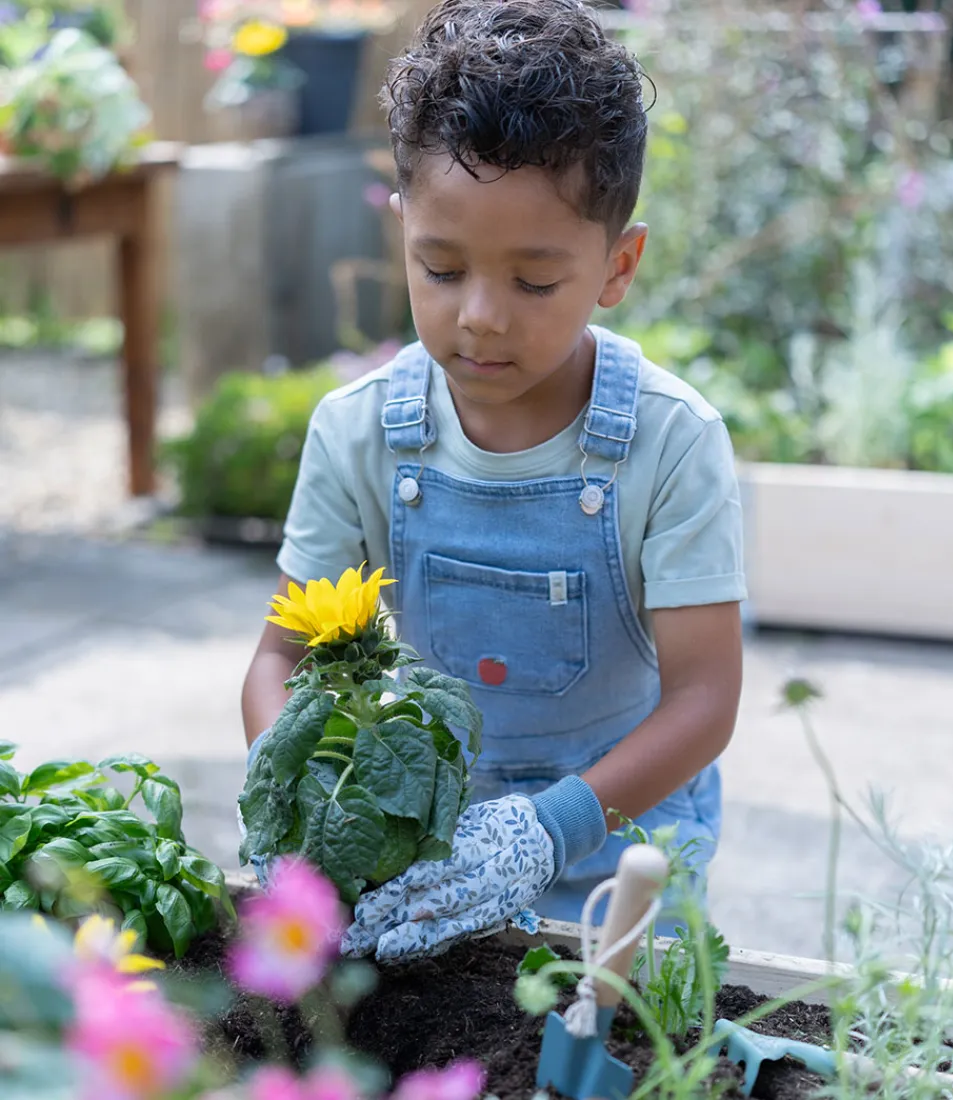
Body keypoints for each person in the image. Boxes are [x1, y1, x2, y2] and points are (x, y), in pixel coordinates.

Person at [241, 0, 746, 962]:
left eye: (534, 282)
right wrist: (292, 808)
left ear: (618, 265)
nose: (479, 317)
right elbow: (280, 663)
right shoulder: (359, 433)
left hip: (627, 857)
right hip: (428, 863)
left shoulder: (671, 443)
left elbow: (704, 702)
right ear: (402, 233)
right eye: (440, 267)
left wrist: (544, 830)